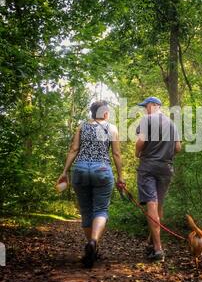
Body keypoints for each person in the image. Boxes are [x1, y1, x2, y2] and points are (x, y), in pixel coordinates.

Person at [57, 101, 124, 268]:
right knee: (100, 209)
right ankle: (93, 242)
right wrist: (120, 176)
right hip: (101, 169)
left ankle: (91, 247)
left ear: (92, 113)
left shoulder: (82, 127)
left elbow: (73, 150)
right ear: (106, 113)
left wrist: (64, 172)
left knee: (86, 210)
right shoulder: (112, 128)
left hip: (80, 169)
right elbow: (116, 153)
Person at [135, 97, 181, 262]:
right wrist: (165, 156)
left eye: (146, 106)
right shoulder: (172, 124)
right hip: (166, 168)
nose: (145, 109)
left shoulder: (147, 120)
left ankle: (158, 249)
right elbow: (178, 147)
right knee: (158, 205)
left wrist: (137, 153)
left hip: (148, 167)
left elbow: (141, 142)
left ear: (154, 106)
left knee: (151, 205)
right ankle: (152, 241)